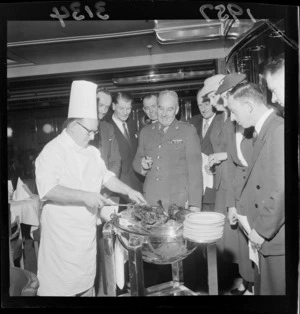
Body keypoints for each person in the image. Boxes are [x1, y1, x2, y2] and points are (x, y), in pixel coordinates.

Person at [35, 80, 146, 296]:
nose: (94, 136)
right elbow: (47, 190)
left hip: (85, 237)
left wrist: (129, 191)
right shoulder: (52, 151)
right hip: (62, 238)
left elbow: (107, 177)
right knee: (61, 289)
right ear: (74, 125)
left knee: (87, 286)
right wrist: (85, 196)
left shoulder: (91, 151)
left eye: (95, 131)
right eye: (90, 131)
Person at [133, 90, 203, 289]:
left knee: (180, 256)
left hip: (177, 203)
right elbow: (136, 160)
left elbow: (195, 170)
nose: (164, 114)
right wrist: (142, 165)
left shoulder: (187, 131)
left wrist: (196, 205)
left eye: (169, 109)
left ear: (177, 109)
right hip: (151, 203)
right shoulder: (146, 132)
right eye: (160, 108)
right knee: (153, 257)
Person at [224, 81, 285, 295]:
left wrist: (261, 230)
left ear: (249, 106)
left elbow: (282, 189)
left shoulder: (277, 130)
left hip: (273, 236)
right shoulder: (263, 130)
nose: (232, 118)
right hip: (262, 231)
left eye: (233, 111)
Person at [216, 73, 255, 295]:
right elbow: (232, 165)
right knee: (244, 252)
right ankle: (249, 286)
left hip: (256, 203)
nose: (230, 115)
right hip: (240, 202)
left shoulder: (259, 126)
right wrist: (231, 204)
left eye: (229, 103)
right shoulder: (234, 125)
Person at [189, 75, 225, 212]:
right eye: (199, 105)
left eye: (206, 103)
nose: (203, 108)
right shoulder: (192, 123)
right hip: (197, 188)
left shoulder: (224, 119)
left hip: (216, 186)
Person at [105, 92, 143, 199]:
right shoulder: (106, 127)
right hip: (117, 188)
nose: (125, 112)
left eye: (128, 108)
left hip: (136, 185)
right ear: (113, 106)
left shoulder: (133, 124)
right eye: (121, 108)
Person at [90, 88, 121, 177]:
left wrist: (107, 182)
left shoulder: (108, 128)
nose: (103, 110)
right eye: (100, 105)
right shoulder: (75, 126)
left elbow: (115, 160)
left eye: (107, 107)